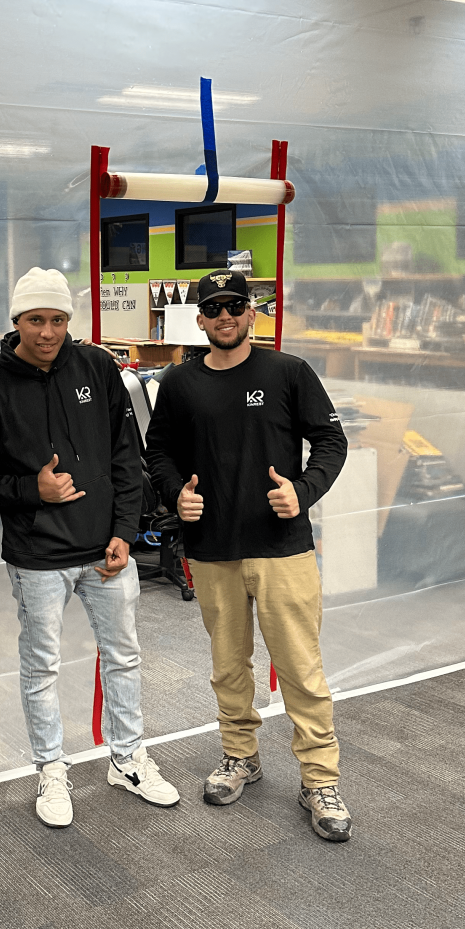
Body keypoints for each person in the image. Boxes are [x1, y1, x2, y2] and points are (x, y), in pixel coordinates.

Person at [0, 266, 179, 828]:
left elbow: (125, 455)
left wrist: (125, 532)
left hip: (106, 550)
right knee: (42, 666)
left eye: (58, 319)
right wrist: (30, 490)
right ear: (17, 321)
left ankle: (128, 760)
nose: (48, 332)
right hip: (38, 558)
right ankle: (51, 769)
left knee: (124, 656)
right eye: (36, 320)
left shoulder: (97, 367)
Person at [144, 270, 352, 841]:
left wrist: (303, 491)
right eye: (213, 308)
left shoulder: (288, 372)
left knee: (301, 668)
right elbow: (158, 452)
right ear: (199, 319)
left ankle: (320, 780)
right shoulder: (179, 382)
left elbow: (331, 441)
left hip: (282, 549)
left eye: (235, 305)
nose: (225, 316)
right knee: (228, 665)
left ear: (251, 313)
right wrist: (175, 494)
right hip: (213, 551)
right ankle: (241, 756)